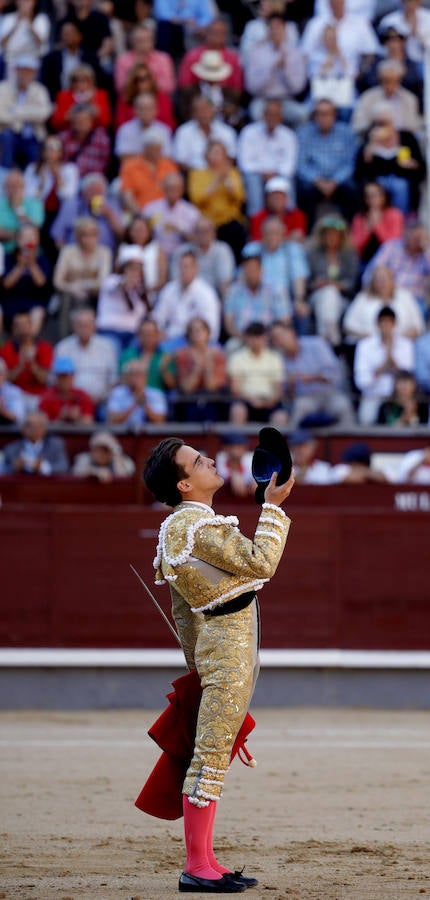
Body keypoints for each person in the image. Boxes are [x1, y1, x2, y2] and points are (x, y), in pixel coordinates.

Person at [142, 434, 293, 892]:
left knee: (209, 756)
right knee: (208, 759)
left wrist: (196, 667)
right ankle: (196, 866)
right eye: (196, 461)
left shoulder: (180, 527)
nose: (208, 459)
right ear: (185, 485)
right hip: (228, 654)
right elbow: (261, 562)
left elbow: (182, 615)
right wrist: (273, 506)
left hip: (219, 652)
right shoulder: (198, 527)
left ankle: (205, 859)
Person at [270, 320, 355, 427]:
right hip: (305, 398)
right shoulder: (279, 359)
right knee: (300, 407)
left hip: (329, 393)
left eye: (282, 335)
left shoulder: (316, 344)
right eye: (275, 338)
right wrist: (291, 386)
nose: (280, 340)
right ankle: (295, 442)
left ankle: (348, 442)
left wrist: (313, 378)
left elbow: (335, 375)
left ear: (292, 332)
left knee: (343, 405)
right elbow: (287, 396)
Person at [296, 98, 357, 227]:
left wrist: (334, 181)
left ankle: (348, 230)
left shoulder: (346, 133)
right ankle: (310, 232)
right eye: (319, 114)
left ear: (334, 115)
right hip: (314, 180)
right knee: (304, 191)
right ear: (314, 116)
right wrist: (318, 181)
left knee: (353, 191)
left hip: (339, 180)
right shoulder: (304, 132)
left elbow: (350, 163)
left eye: (327, 113)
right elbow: (300, 164)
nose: (323, 118)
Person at [354, 104, 425, 214]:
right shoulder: (369, 139)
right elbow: (360, 171)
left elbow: (420, 168)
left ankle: (401, 220)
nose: (382, 127)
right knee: (376, 189)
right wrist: (371, 148)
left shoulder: (406, 137)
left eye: (385, 123)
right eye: (379, 123)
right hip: (377, 179)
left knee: (400, 186)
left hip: (402, 179)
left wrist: (411, 164)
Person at [187, 139, 246, 263]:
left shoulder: (232, 173)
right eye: (213, 152)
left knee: (237, 230)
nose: (216, 156)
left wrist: (227, 181)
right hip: (208, 220)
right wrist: (216, 182)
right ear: (206, 155)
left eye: (219, 153)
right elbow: (196, 199)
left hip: (229, 220)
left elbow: (239, 197)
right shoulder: (197, 174)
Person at [354, 305, 415, 424]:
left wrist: (392, 358)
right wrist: (383, 364)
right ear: (377, 324)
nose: (386, 326)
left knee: (413, 412)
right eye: (383, 322)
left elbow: (408, 378)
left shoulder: (406, 345)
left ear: (394, 324)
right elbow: (361, 382)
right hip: (374, 395)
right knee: (366, 419)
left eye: (389, 322)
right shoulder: (364, 346)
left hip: (400, 397)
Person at [244, 11, 307, 126]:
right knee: (255, 113)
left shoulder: (295, 53)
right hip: (263, 100)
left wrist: (285, 70)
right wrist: (271, 69)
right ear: (268, 30)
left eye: (279, 28)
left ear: (285, 29)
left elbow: (298, 88)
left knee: (302, 115)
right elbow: (251, 87)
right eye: (273, 28)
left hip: (285, 101)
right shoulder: (256, 53)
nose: (276, 31)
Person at [237, 98, 298, 217]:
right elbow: (245, 163)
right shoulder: (248, 132)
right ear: (262, 115)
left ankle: (291, 220)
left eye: (275, 114)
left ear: (281, 117)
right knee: (252, 181)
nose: (272, 117)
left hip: (279, 173)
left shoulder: (288, 135)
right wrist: (263, 173)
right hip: (256, 174)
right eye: (269, 114)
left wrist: (274, 173)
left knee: (287, 180)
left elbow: (289, 164)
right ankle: (256, 220)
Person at [53, 216, 112, 337]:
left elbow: (103, 282)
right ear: (78, 236)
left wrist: (81, 286)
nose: (89, 238)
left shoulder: (105, 253)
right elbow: (57, 281)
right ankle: (65, 336)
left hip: (95, 296)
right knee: (67, 298)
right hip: (71, 296)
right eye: (85, 234)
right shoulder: (67, 252)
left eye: (93, 234)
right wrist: (73, 289)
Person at [305, 214, 359, 347]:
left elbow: (353, 282)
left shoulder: (349, 255)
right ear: (322, 235)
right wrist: (317, 284)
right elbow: (306, 282)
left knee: (331, 293)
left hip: (343, 299)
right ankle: (333, 342)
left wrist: (337, 285)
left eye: (335, 234)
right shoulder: (312, 254)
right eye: (328, 234)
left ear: (341, 237)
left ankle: (324, 342)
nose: (331, 237)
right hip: (317, 297)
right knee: (328, 293)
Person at [162, 316, 228, 423]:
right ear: (188, 334)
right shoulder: (181, 355)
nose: (197, 333)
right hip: (188, 402)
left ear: (208, 333)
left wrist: (208, 366)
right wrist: (196, 369)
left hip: (212, 401)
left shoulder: (218, 356)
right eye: (192, 330)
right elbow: (187, 388)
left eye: (200, 329)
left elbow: (211, 387)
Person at [153, 247, 221, 345]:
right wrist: (157, 332)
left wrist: (174, 334)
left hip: (199, 340)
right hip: (172, 338)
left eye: (187, 266)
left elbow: (211, 328)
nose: (184, 270)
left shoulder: (206, 293)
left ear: (196, 268)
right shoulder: (169, 289)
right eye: (181, 266)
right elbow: (158, 318)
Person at [54, 308, 117, 412]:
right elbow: (55, 379)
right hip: (70, 402)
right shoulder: (62, 348)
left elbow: (114, 380)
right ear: (73, 326)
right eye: (80, 325)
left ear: (94, 326)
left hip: (101, 402)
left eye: (87, 325)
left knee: (108, 412)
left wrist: (101, 398)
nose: (84, 329)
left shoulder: (107, 347)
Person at [223, 243, 291, 341]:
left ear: (261, 270)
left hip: (270, 339)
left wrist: (265, 338)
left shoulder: (276, 290)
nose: (251, 273)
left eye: (254, 269)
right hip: (241, 338)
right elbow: (228, 323)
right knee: (231, 347)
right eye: (248, 269)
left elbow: (284, 320)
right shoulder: (233, 291)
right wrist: (243, 338)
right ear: (243, 271)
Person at [343, 265, 425, 346]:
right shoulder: (362, 298)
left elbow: (418, 326)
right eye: (378, 280)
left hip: (402, 347)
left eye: (385, 279)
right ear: (373, 282)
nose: (382, 283)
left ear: (392, 280)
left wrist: (397, 340)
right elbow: (348, 326)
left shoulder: (405, 296)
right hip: (368, 346)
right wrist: (372, 339)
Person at [96, 245, 151, 354]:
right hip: (110, 331)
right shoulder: (111, 281)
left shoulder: (142, 290)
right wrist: (127, 283)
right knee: (114, 349)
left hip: (133, 334)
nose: (135, 271)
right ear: (123, 268)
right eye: (131, 268)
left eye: (138, 268)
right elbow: (117, 286)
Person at [0, 56, 53, 169]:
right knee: (6, 137)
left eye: (28, 71)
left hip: (33, 135)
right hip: (10, 133)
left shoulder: (40, 90)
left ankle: (32, 179)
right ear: (16, 71)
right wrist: (30, 112)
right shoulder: (3, 88)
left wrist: (16, 111)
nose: (24, 75)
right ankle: (4, 175)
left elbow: (43, 114)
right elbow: (1, 115)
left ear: (34, 74)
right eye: (22, 70)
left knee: (36, 146)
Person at [228, 322, 285, 424]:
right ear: (246, 339)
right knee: (237, 411)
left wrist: (268, 402)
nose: (256, 341)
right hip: (246, 401)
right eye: (252, 337)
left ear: (265, 338)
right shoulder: (237, 358)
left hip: (269, 401)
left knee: (281, 417)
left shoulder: (275, 358)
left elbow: (278, 389)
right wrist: (252, 400)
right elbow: (235, 389)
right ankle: (237, 440)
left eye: (259, 337)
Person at [2, 223, 51, 336]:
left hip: (34, 301)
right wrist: (20, 266)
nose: (29, 240)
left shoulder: (42, 259)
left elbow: (42, 284)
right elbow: (6, 284)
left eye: (32, 236)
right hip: (12, 301)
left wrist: (32, 264)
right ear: (18, 240)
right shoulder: (9, 258)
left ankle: (29, 343)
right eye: (25, 237)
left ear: (38, 240)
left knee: (37, 313)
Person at [119, 125, 178, 213]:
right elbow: (127, 196)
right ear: (145, 148)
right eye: (154, 148)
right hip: (140, 212)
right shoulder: (130, 166)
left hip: (167, 213)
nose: (158, 151)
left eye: (159, 148)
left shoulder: (169, 165)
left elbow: (176, 192)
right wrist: (140, 214)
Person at [142, 171, 200, 260]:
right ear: (163, 188)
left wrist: (180, 230)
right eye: (169, 188)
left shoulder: (192, 212)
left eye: (176, 188)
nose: (173, 192)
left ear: (182, 190)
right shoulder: (150, 209)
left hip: (182, 254)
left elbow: (197, 240)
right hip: (156, 253)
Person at [172, 94, 237, 173]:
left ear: (213, 111)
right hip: (193, 174)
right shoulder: (183, 132)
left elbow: (231, 157)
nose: (204, 113)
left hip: (221, 173)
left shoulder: (227, 132)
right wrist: (201, 174)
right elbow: (180, 160)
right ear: (193, 113)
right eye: (199, 110)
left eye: (207, 109)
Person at [0, 311, 53, 403]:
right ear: (13, 328)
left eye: (25, 324)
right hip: (13, 396)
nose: (22, 328)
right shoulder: (5, 350)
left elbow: (44, 379)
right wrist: (20, 366)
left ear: (31, 326)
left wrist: (32, 363)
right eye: (18, 325)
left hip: (38, 396)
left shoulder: (45, 348)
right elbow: (4, 381)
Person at [350, 181, 404, 266]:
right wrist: (368, 228)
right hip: (364, 261)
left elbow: (393, 244)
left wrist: (378, 225)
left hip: (389, 261)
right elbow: (355, 245)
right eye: (368, 196)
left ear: (383, 196)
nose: (371, 200)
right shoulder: (359, 217)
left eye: (374, 195)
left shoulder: (394, 214)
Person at [0, 410, 69, 476]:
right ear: (22, 429)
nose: (34, 429)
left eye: (38, 426)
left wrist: (42, 467)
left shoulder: (55, 445)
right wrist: (14, 467)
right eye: (29, 425)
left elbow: (63, 466)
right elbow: (3, 470)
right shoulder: (11, 449)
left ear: (44, 429)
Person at [106, 357, 167, 428]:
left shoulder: (156, 394)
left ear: (146, 377)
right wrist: (134, 404)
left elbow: (160, 421)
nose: (136, 379)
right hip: (122, 434)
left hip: (150, 435)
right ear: (127, 376)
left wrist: (144, 403)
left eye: (140, 374)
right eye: (133, 374)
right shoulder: (117, 393)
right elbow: (113, 420)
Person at [50, 63, 111, 132]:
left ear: (91, 81)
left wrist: (95, 110)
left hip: (94, 133)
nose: (79, 84)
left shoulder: (100, 95)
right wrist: (70, 115)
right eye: (75, 80)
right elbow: (55, 122)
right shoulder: (64, 95)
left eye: (84, 80)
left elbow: (106, 122)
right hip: (70, 132)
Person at [114, 91, 172, 162]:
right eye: (141, 108)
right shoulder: (125, 130)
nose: (145, 112)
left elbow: (167, 158)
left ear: (156, 110)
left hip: (158, 171)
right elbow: (123, 158)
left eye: (148, 108)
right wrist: (150, 156)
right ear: (134, 110)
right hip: (133, 171)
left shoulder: (164, 130)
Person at [59, 101, 111, 178]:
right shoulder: (63, 137)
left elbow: (105, 162)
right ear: (72, 122)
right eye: (78, 119)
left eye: (85, 119)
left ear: (91, 121)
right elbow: (59, 161)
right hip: (69, 177)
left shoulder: (100, 137)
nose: (81, 122)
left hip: (91, 177)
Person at [39, 356, 95, 425]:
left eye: (67, 376)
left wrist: (78, 417)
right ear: (56, 378)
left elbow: (89, 422)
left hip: (79, 435)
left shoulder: (82, 395)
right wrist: (61, 417)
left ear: (72, 377)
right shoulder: (47, 396)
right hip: (55, 435)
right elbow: (43, 425)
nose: (64, 380)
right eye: (61, 377)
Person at [249, 176, 307, 243]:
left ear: (286, 198)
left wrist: (272, 238)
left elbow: (299, 237)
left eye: (280, 197)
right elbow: (257, 241)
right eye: (273, 197)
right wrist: (288, 238)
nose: (277, 200)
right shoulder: (257, 218)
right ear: (267, 199)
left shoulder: (297, 215)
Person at [215, 433, 256, 498]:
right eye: (233, 447)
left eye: (240, 446)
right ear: (225, 448)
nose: (236, 451)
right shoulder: (218, 459)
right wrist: (232, 476)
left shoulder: (251, 458)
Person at [0, 357, 26, 426]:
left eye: (0, 374)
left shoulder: (13, 391)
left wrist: (2, 410)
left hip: (7, 432)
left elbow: (18, 417)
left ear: (5, 375)